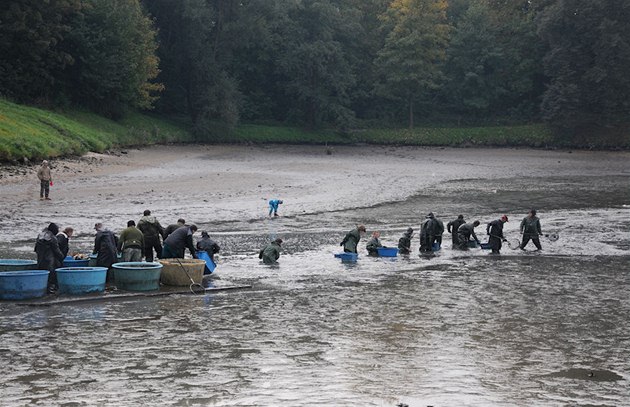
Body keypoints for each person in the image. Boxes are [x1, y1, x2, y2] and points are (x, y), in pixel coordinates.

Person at [34, 223, 65, 292]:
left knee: (42, 274)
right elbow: (56, 250)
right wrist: (62, 257)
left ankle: (43, 288)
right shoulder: (53, 237)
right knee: (51, 274)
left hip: (40, 258)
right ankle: (51, 289)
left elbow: (35, 248)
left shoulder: (40, 235)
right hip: (49, 259)